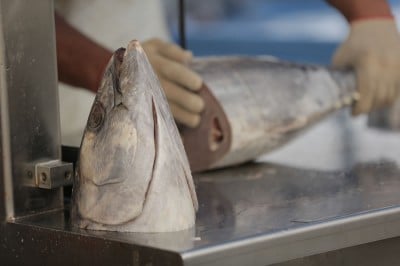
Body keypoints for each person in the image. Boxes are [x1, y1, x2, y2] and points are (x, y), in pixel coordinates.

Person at [56, 0, 400, 146]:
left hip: (157, 73)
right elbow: (10, 20)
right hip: (55, 111)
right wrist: (108, 70)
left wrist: (369, 14)